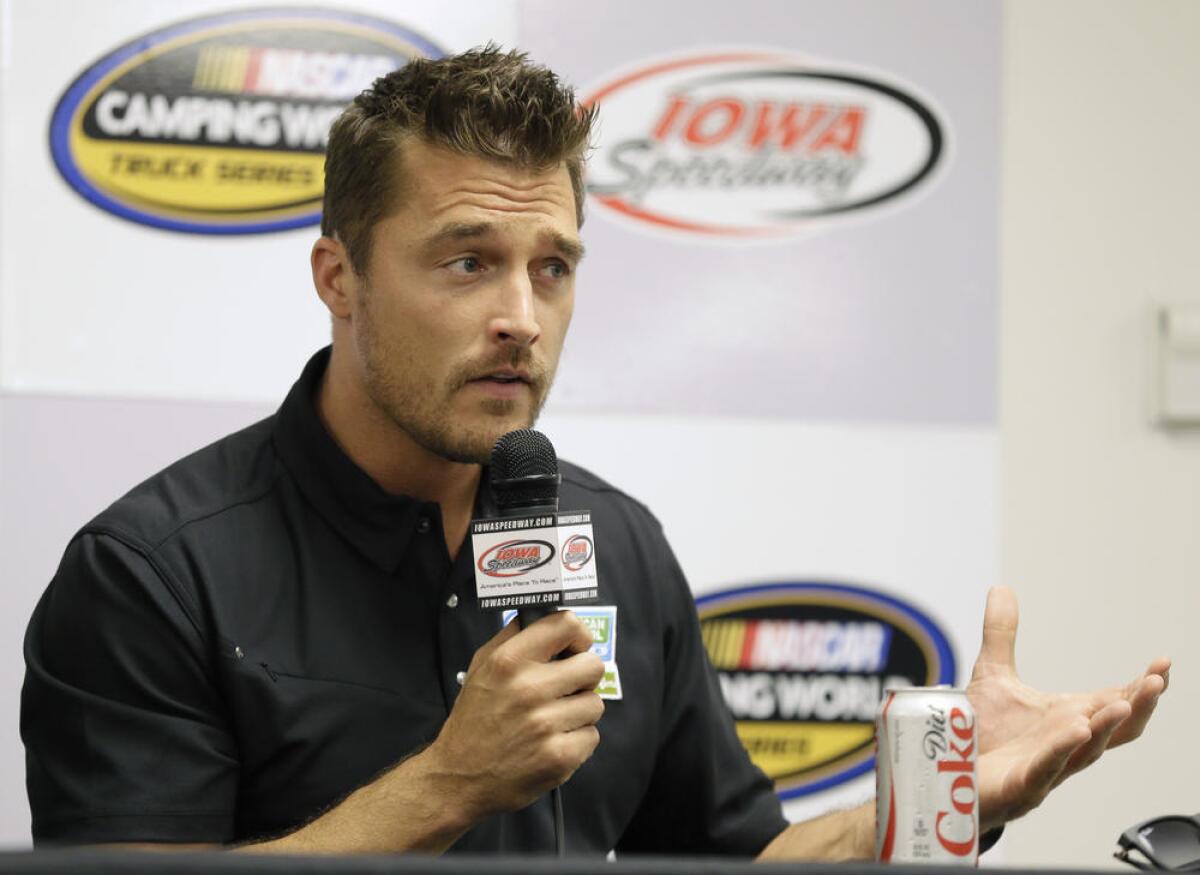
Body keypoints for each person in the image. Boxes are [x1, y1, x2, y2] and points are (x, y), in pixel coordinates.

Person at [21, 46, 1169, 858]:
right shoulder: (151, 571)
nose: (520, 312)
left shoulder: (615, 538)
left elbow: (737, 860)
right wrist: (447, 783)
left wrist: (948, 793)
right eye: (467, 259)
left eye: (552, 266)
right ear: (339, 277)